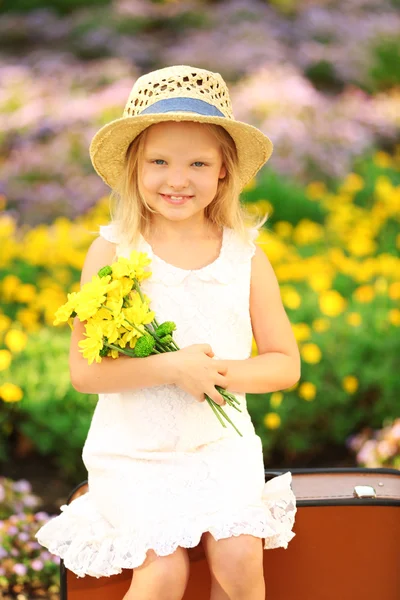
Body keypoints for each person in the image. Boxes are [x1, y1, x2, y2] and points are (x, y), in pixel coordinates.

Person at [35, 65, 300, 600]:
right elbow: (85, 373)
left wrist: (214, 372)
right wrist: (172, 367)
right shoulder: (114, 250)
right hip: (136, 452)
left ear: (224, 171)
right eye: (159, 162)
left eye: (198, 163)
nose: (177, 179)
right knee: (163, 571)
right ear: (134, 168)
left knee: (240, 556)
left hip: (220, 446)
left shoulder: (246, 256)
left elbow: (284, 363)